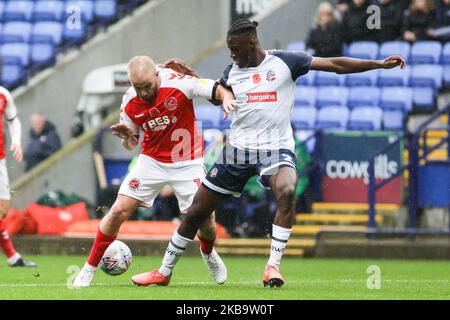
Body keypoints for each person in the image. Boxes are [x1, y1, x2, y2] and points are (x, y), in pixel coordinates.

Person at [131, 19, 405, 288]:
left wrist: (378, 64)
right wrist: (192, 76)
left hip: (275, 148)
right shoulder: (232, 71)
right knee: (196, 213)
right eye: (229, 48)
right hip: (237, 152)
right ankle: (164, 272)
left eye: (235, 47)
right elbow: (216, 96)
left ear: (251, 43)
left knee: (286, 191)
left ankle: (272, 266)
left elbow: (334, 65)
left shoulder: (287, 62)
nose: (231, 53)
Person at [73, 56, 236, 287]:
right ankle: (89, 268)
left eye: (147, 86)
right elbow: (132, 142)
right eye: (137, 88)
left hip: (187, 160)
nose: (143, 93)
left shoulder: (178, 83)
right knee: (118, 210)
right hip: (152, 161)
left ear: (157, 74)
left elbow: (214, 88)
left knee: (206, 219)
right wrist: (127, 136)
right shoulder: (129, 100)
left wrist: (227, 96)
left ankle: (208, 253)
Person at [0, 85, 37, 267]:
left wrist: (16, 142)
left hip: (0, 159)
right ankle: (13, 256)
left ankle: (13, 257)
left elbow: (13, 120)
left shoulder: (3, 94)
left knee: (3, 210)